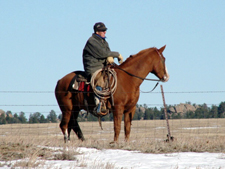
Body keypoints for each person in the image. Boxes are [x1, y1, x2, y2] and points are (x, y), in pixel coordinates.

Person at [82, 22, 123, 113]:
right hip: (93, 67)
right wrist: (117, 54)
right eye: (103, 30)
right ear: (97, 32)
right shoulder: (92, 41)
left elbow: (107, 53)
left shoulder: (104, 42)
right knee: (100, 79)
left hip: (103, 66)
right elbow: (103, 54)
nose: (105, 32)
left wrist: (110, 58)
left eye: (105, 30)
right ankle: (99, 104)